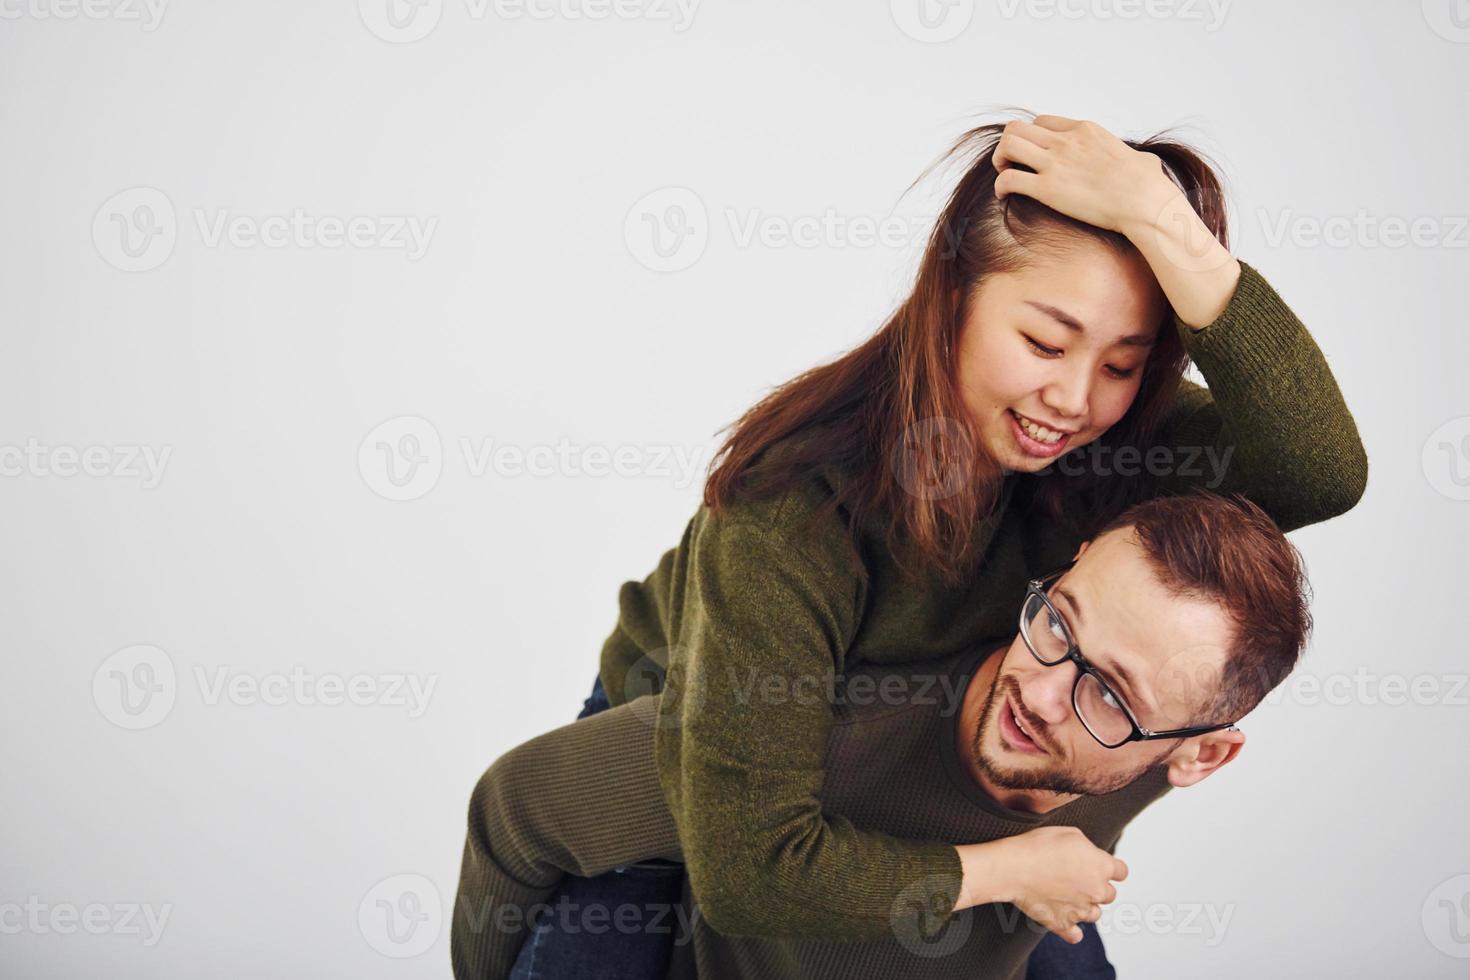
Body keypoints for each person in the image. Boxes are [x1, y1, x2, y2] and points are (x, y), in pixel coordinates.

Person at [470, 110, 1368, 977]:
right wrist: (1006, 871)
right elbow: (751, 863)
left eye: (1122, 365)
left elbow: (1321, 472)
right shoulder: (795, 506)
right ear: (952, 299)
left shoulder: (1118, 457)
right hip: (698, 742)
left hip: (947, 762)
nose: (1074, 399)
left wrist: (1162, 218)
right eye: (1044, 342)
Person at [452, 491, 1313, 978]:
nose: (1042, 693)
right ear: (1072, 563)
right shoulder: (823, 728)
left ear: (1198, 754)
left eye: (1110, 696)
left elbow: (1319, 471)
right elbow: (516, 806)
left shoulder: (1156, 752)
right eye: (1059, 621)